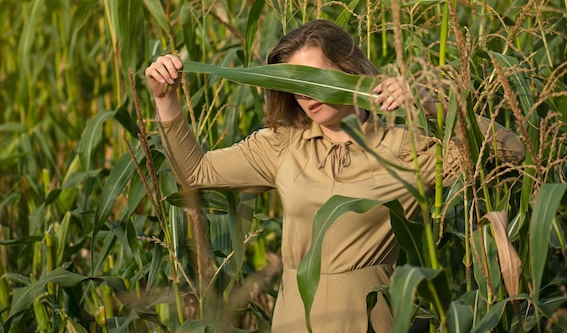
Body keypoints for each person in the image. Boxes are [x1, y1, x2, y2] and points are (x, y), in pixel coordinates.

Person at [145, 19, 526, 333]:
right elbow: (196, 172)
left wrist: (429, 104)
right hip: (295, 320)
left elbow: (513, 152)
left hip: (374, 320)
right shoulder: (282, 145)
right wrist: (166, 99)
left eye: (316, 78)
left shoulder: (405, 149)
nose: (307, 94)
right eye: (296, 84)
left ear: (350, 70)